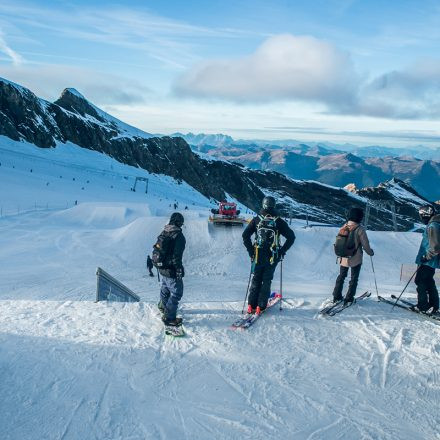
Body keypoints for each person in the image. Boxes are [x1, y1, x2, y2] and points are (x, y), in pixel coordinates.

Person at [242, 196, 295, 314]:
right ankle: (261, 306)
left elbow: (245, 236)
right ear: (274, 206)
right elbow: (291, 237)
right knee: (266, 280)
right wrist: (281, 251)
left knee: (256, 278)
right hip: (272, 256)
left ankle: (251, 304)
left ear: (263, 205)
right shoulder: (279, 222)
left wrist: (251, 251)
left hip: (257, 254)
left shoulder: (257, 220)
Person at [332, 207, 374, 304]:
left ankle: (336, 296)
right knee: (354, 278)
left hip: (343, 257)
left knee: (341, 276)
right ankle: (349, 298)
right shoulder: (359, 229)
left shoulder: (344, 226)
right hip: (356, 258)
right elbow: (365, 245)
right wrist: (370, 252)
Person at [156, 212, 186, 326]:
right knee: (176, 293)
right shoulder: (178, 236)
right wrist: (178, 270)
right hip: (171, 270)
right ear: (179, 223)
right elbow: (177, 256)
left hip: (162, 267)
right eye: (181, 223)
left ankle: (164, 307)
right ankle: (169, 318)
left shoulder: (164, 231)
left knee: (165, 288)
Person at [414, 205, 440, 313]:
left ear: (426, 215)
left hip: (428, 260)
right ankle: (433, 305)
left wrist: (426, 257)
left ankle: (423, 306)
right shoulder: (435, 223)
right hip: (430, 260)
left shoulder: (433, 226)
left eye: (421, 216)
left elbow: (435, 247)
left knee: (421, 281)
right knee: (428, 281)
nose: (421, 218)